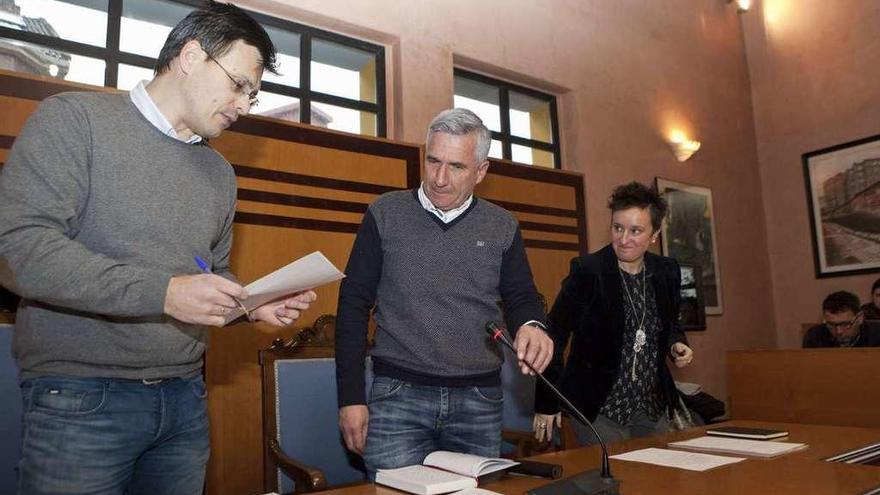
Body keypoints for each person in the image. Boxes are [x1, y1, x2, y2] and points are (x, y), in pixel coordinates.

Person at [0, 2, 316, 493]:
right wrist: (163, 293)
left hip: (185, 400)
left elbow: (210, 272)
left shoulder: (219, 174)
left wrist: (250, 304)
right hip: (82, 398)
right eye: (239, 85)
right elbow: (18, 252)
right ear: (191, 56)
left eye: (254, 95)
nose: (246, 106)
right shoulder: (75, 120)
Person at [335, 108, 553, 475]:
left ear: (481, 171)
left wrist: (533, 324)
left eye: (456, 166)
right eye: (433, 161)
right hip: (397, 395)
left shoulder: (502, 225)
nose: (439, 178)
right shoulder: (385, 213)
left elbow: (521, 297)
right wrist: (351, 398)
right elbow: (353, 306)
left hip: (479, 401)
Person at [533, 182, 694, 446]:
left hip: (652, 407)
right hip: (599, 409)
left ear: (654, 234)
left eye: (636, 231)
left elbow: (669, 322)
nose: (623, 239)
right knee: (613, 482)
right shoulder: (588, 271)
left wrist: (678, 343)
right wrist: (547, 402)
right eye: (617, 228)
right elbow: (554, 336)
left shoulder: (667, 271)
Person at [803, 291, 880, 348]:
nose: (838, 331)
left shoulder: (877, 333)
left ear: (860, 318)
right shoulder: (815, 336)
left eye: (845, 324)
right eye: (831, 325)